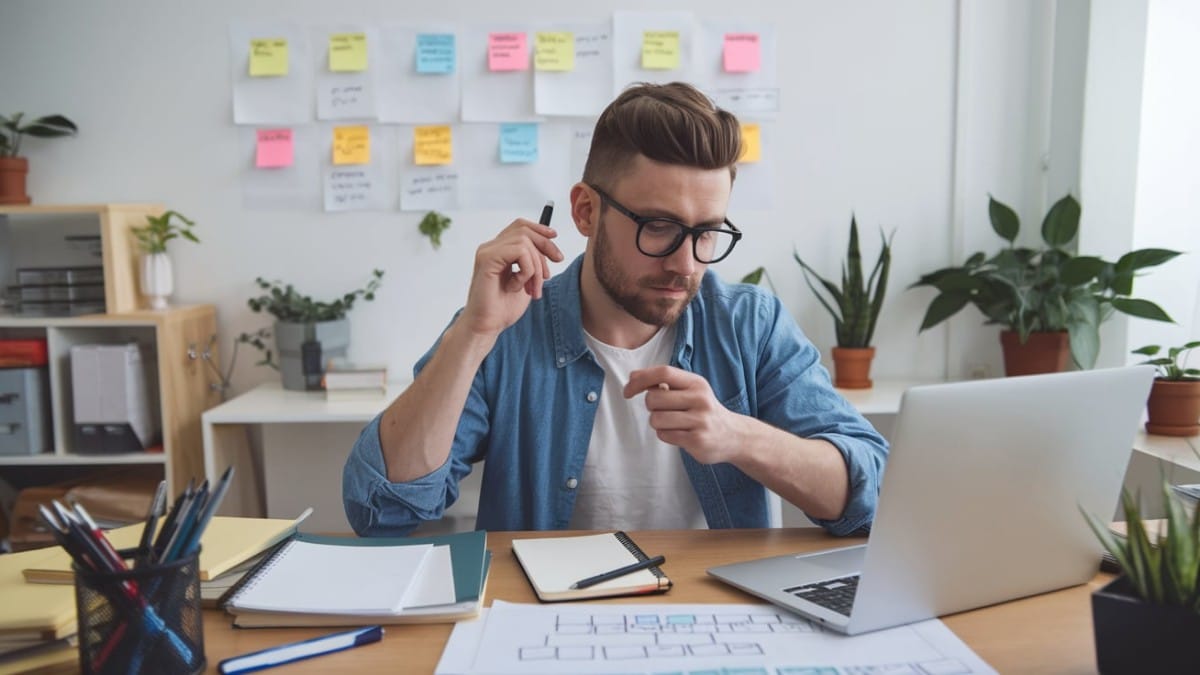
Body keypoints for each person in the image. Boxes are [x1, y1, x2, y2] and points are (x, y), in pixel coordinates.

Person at [343, 82, 888, 537]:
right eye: (659, 227)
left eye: (706, 233)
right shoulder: (505, 329)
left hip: (720, 621)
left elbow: (873, 491)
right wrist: (473, 334)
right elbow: (381, 509)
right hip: (540, 623)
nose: (686, 264)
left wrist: (738, 436)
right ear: (586, 211)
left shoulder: (750, 324)